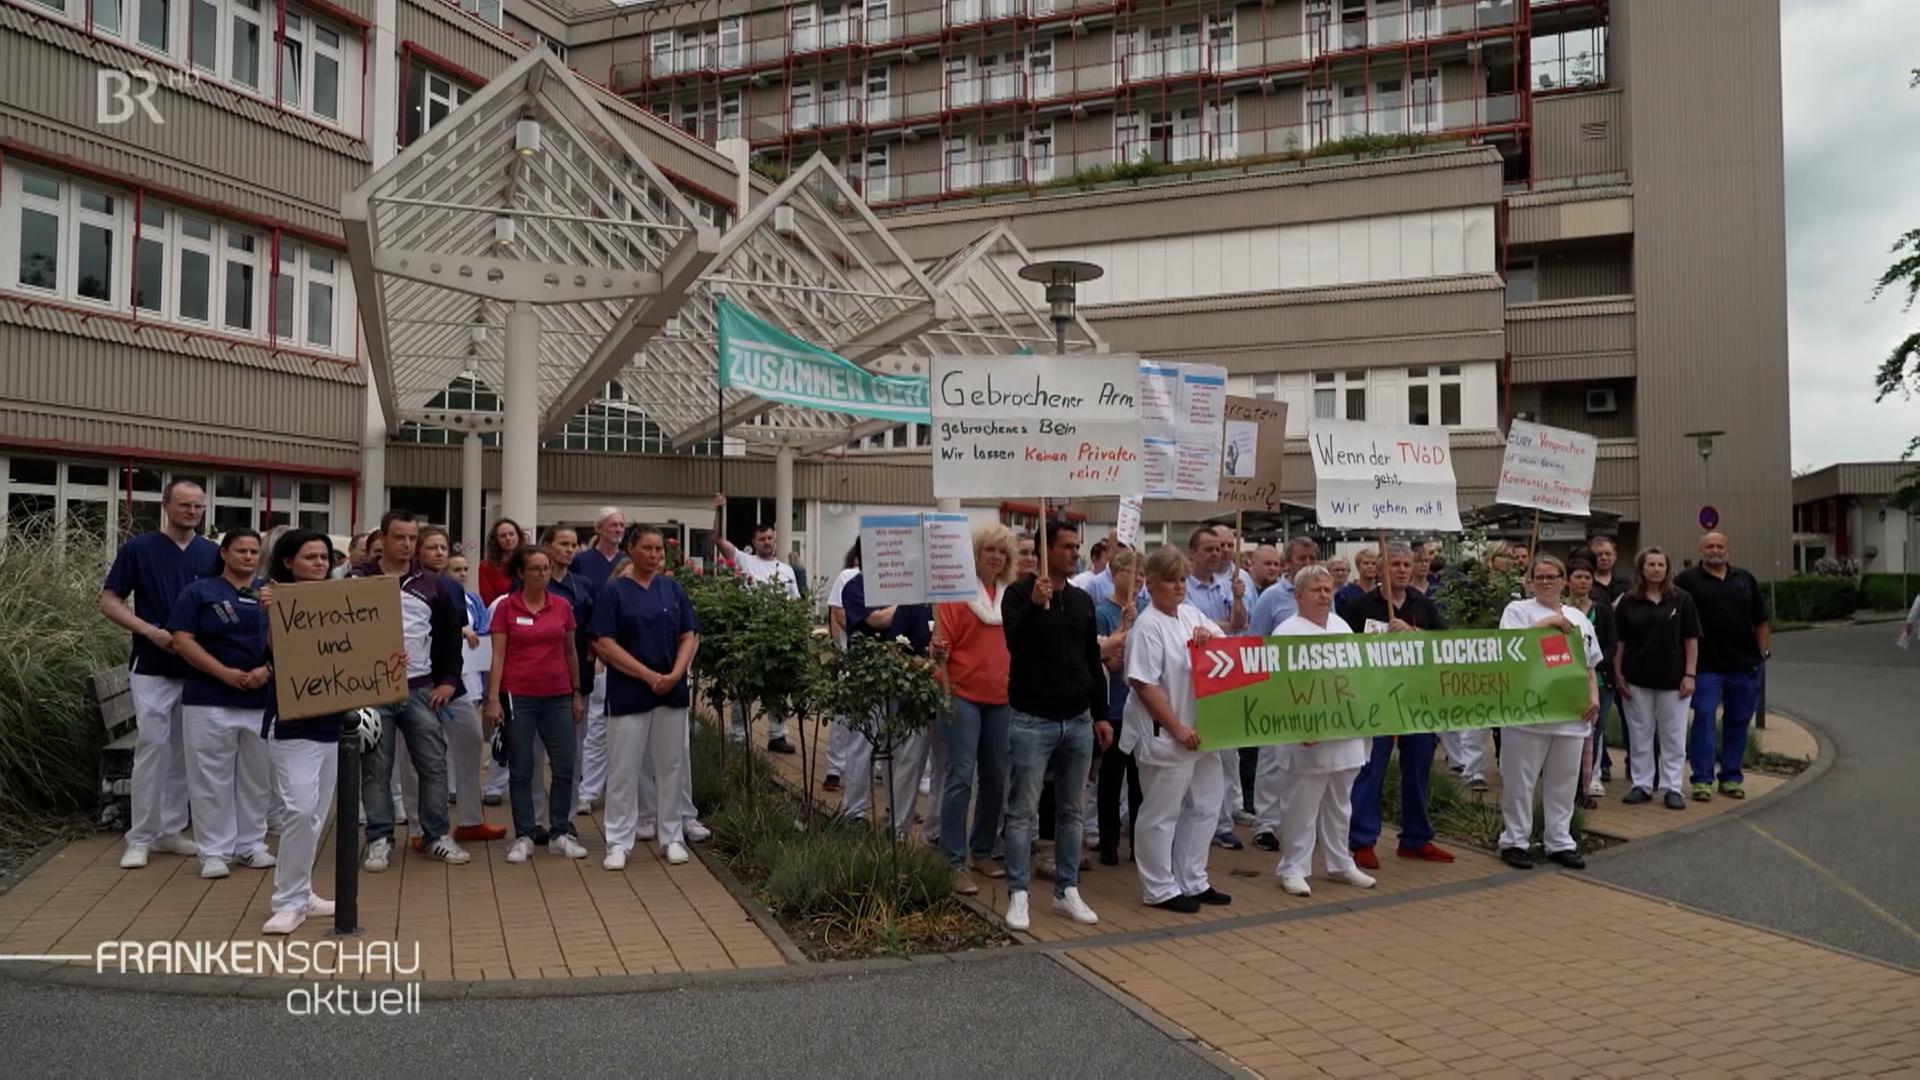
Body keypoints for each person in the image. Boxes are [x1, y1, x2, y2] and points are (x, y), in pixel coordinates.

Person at [101, 479, 220, 870]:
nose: (192, 512)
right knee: (152, 746)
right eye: (185, 505)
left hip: (198, 666)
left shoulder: (211, 553)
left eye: (198, 507)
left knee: (185, 750)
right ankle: (141, 836)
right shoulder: (138, 550)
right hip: (152, 665)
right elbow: (109, 601)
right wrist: (149, 630)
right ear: (165, 505)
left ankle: (171, 830)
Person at [1001, 520, 1111, 930]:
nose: (1074, 553)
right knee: (1022, 812)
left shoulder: (1082, 601)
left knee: (1072, 811)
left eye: (1077, 547)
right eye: (1066, 546)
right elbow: (1015, 643)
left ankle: (1067, 889)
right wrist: (1034, 604)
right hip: (1032, 718)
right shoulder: (1017, 594)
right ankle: (1019, 893)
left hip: (1078, 719)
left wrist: (1100, 713)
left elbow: (1090, 660)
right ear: (1046, 550)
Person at [1317, 541, 1455, 867]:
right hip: (1374, 699)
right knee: (1371, 769)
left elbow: (1445, 644)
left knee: (1418, 768)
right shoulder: (1359, 605)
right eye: (1395, 565)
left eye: (1407, 565)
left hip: (1414, 701)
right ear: (1381, 570)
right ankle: (1362, 840)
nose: (1402, 570)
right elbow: (1344, 651)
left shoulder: (1423, 604)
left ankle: (1416, 838)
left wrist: (1415, 632)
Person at [354, 510, 470, 870]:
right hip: (372, 691)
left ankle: (436, 835)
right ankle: (379, 839)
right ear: (383, 539)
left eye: (411, 539)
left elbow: (451, 636)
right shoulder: (357, 581)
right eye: (399, 538)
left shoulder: (436, 584)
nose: (406, 545)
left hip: (421, 689)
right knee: (376, 767)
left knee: (433, 764)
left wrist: (449, 680)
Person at [258, 530, 360, 933]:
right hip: (292, 725)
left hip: (333, 725)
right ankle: (287, 900)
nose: (320, 563)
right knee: (299, 811)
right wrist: (269, 613)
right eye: (310, 557)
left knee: (315, 816)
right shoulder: (271, 601)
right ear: (288, 562)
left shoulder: (344, 601)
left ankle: (302, 894)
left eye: (324, 557)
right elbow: (265, 651)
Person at [1121, 546, 1231, 914]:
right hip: (1167, 734)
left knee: (1205, 805)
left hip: (1204, 731)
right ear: (1150, 585)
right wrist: (1177, 727)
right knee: (1160, 812)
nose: (1180, 587)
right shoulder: (1147, 626)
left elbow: (1228, 652)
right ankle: (1158, 886)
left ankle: (1192, 878)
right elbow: (1143, 684)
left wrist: (1209, 638)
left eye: (1183, 579)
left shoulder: (1192, 615)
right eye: (1171, 580)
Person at [590, 524, 701, 869]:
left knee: (671, 767)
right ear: (630, 550)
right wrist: (647, 675)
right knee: (624, 769)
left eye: (659, 551)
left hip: (671, 690)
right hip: (629, 691)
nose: (655, 556)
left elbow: (689, 635)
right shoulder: (615, 592)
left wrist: (676, 673)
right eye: (648, 549)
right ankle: (619, 842)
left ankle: (672, 836)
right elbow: (602, 641)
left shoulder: (672, 589)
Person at [166, 528, 275, 880]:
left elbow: (294, 639)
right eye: (240, 550)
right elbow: (182, 640)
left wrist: (267, 671)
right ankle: (214, 851)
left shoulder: (270, 594)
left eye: (253, 551)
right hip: (209, 698)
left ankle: (251, 844)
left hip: (260, 699)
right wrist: (224, 673)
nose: (247, 557)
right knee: (210, 779)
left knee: (257, 778)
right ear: (224, 553)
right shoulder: (200, 592)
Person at [1270, 565, 1375, 896]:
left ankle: (1340, 862)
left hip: (1344, 731)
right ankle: (1293, 867)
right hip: (1308, 736)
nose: (1324, 596)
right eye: (1316, 590)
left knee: (1340, 802)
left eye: (1328, 589)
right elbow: (1280, 686)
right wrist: (1300, 723)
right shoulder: (1287, 632)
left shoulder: (1341, 624)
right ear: (1298, 595)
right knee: (1301, 804)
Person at [1497, 555, 1603, 870]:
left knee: (1564, 780)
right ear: (1529, 581)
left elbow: (1589, 663)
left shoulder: (1579, 618)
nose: (1545, 581)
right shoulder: (1517, 611)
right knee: (1520, 780)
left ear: (1563, 580)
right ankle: (1515, 840)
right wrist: (1548, 624)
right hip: (1528, 712)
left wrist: (1593, 696)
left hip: (1570, 712)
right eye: (1538, 576)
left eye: (1551, 576)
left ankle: (1559, 841)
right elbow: (1511, 649)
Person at [485, 545, 588, 863]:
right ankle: (524, 835)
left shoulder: (562, 606)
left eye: (546, 568)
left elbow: (571, 651)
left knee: (564, 766)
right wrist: (492, 698)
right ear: (521, 572)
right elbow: (498, 655)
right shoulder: (507, 607)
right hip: (519, 696)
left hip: (558, 694)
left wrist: (577, 691)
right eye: (535, 568)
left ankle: (559, 832)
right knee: (522, 768)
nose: (542, 574)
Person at [932, 523, 1018, 895]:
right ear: (976, 555)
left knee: (997, 778)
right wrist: (938, 656)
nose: (996, 557)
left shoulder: (1012, 597)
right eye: (990, 551)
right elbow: (942, 649)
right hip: (962, 694)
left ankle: (982, 850)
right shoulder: (954, 595)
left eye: (1002, 552)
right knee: (960, 776)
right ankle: (952, 861)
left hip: (1002, 698)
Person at [839, 567, 936, 834]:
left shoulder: (911, 586)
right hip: (869, 678)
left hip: (906, 680)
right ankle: (855, 812)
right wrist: (907, 597)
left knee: (900, 749)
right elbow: (877, 621)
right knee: (863, 745)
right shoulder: (856, 587)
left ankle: (896, 811)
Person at [1675, 531, 1770, 801]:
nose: (1715, 550)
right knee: (1704, 718)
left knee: (1738, 722)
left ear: (1728, 549)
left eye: (1719, 546)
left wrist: (1763, 653)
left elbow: (1761, 620)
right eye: (1709, 546)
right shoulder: (1686, 581)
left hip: (1743, 665)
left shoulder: (1745, 579)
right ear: (1700, 549)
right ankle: (1702, 779)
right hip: (1705, 667)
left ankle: (1730, 777)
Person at [1613, 547, 1701, 810]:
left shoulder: (1682, 599)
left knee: (1673, 736)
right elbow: (1619, 641)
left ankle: (1672, 787)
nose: (1656, 569)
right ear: (1641, 568)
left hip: (1674, 680)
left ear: (1667, 568)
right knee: (1640, 734)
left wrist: (1690, 674)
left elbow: (1691, 639)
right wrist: (1618, 674)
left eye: (1660, 564)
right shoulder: (1628, 601)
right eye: (1650, 564)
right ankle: (1641, 784)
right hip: (1636, 678)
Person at [1179, 527, 1250, 851]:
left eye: (1218, 549)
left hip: (1225, 673)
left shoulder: (1229, 583)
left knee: (1225, 753)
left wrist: (1236, 598)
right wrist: (1216, 625)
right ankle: (1189, 820)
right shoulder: (1184, 588)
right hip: (1192, 679)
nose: (1216, 554)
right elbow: (1191, 625)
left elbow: (1240, 623)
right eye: (1208, 549)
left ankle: (1221, 823)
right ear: (1192, 553)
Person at [713, 494, 800, 754]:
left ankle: (777, 735)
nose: (766, 542)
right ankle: (739, 738)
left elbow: (795, 603)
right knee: (741, 692)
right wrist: (718, 511)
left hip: (778, 638)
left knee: (776, 689)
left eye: (770, 538)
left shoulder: (787, 570)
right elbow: (718, 540)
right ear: (753, 542)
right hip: (749, 636)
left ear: (775, 540)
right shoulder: (744, 560)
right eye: (761, 539)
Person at [445, 550, 506, 842]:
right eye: (455, 568)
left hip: (469, 677)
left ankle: (471, 817)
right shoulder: (432, 594)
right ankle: (445, 797)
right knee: (439, 744)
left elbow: (484, 630)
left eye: (465, 568)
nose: (462, 573)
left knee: (470, 739)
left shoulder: (473, 599)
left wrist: (474, 634)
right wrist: (459, 630)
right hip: (439, 679)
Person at [571, 507, 627, 811]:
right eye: (613, 524)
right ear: (599, 528)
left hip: (627, 652)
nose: (618, 529)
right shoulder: (582, 561)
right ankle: (588, 790)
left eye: (621, 524)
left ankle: (616, 790)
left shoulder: (627, 560)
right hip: (594, 650)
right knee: (595, 727)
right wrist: (592, 651)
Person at [1094, 548, 1146, 867]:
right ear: (1116, 575)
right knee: (1111, 780)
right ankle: (1108, 843)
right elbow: (1110, 662)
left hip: (1140, 707)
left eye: (1142, 574)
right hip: (1114, 706)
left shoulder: (1148, 610)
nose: (1138, 580)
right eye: (1133, 573)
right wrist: (1125, 630)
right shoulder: (1102, 612)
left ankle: (1140, 844)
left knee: (1140, 781)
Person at [1567, 559, 1619, 805]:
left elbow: (1611, 643)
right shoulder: (1560, 610)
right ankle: (1570, 779)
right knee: (1569, 731)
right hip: (1566, 680)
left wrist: (1595, 662)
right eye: (1578, 577)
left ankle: (1592, 777)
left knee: (1595, 730)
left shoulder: (1603, 609)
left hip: (1598, 679)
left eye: (1588, 578)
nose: (1583, 582)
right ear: (1568, 580)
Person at [822, 542, 863, 792]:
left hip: (881, 655)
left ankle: (876, 770)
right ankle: (835, 768)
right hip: (850, 655)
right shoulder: (848, 577)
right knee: (842, 716)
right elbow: (837, 614)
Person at [479, 518, 524, 606]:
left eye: (511, 534)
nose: (508, 538)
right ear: (496, 540)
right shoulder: (487, 566)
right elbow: (487, 600)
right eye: (503, 536)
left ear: (518, 536)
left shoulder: (528, 562)